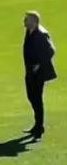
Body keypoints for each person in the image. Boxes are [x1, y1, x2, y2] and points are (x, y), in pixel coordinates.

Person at [23, 11, 57, 141]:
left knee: (36, 99)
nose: (24, 21)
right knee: (31, 97)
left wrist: (39, 64)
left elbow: (51, 50)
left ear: (34, 21)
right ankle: (37, 125)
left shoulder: (41, 34)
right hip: (30, 71)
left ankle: (39, 129)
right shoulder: (29, 31)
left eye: (27, 19)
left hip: (39, 73)